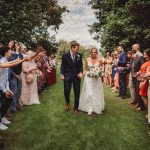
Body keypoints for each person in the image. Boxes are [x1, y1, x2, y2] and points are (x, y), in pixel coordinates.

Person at [79, 47, 105, 115]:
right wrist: (82, 74)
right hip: (88, 78)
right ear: (90, 53)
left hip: (96, 79)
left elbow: (101, 68)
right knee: (89, 93)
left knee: (96, 92)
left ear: (97, 53)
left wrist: (98, 73)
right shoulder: (87, 59)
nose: (94, 53)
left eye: (95, 52)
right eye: (92, 52)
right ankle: (89, 108)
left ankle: (96, 107)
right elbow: (86, 69)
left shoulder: (99, 60)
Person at [60, 42, 83, 112]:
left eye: (78, 49)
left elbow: (81, 65)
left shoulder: (79, 55)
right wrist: (62, 74)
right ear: (72, 48)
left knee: (77, 92)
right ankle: (67, 103)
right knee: (66, 91)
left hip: (76, 77)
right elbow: (62, 66)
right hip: (67, 76)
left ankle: (76, 107)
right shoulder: (65, 55)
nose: (77, 50)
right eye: (76, 49)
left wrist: (81, 72)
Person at [0, 46, 13, 130]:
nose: (11, 52)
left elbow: (6, 79)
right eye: (10, 50)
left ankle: (2, 117)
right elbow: (0, 79)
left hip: (4, 86)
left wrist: (8, 89)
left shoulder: (6, 61)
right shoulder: (1, 62)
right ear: (6, 52)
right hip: (0, 87)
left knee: (9, 99)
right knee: (1, 104)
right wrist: (5, 91)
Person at [131, 44, 145, 111]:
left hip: (138, 76)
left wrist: (138, 74)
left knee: (138, 91)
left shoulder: (140, 56)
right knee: (136, 91)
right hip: (134, 75)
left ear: (136, 48)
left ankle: (141, 106)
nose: (132, 49)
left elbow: (142, 67)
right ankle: (138, 103)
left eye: (133, 48)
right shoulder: (135, 55)